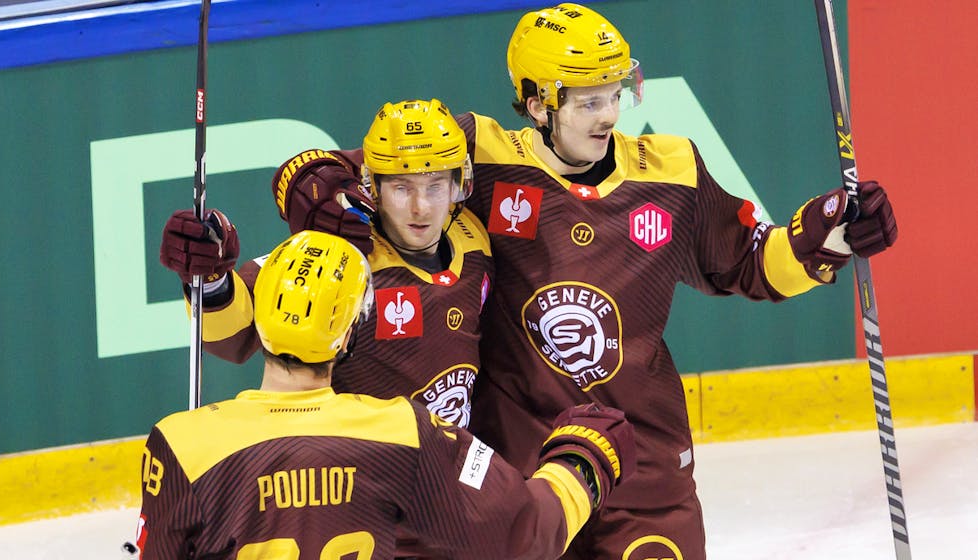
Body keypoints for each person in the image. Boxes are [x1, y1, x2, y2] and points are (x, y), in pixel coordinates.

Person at [263, 4, 900, 558]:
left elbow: (753, 262)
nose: (609, 116)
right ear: (538, 101)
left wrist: (834, 230)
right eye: (589, 99)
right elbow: (356, 173)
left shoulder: (672, 170)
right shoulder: (478, 154)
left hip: (645, 467)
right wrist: (311, 183)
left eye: (616, 94)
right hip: (523, 481)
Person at [137, 229, 635, 559]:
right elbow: (524, 533)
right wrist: (584, 460)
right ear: (353, 328)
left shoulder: (180, 444)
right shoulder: (401, 430)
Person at [160, 99, 494, 428]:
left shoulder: (474, 237)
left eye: (435, 186)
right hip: (365, 470)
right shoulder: (338, 255)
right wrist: (212, 278)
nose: (421, 207)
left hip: (450, 468)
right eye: (401, 187)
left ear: (457, 185)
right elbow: (232, 339)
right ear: (372, 187)